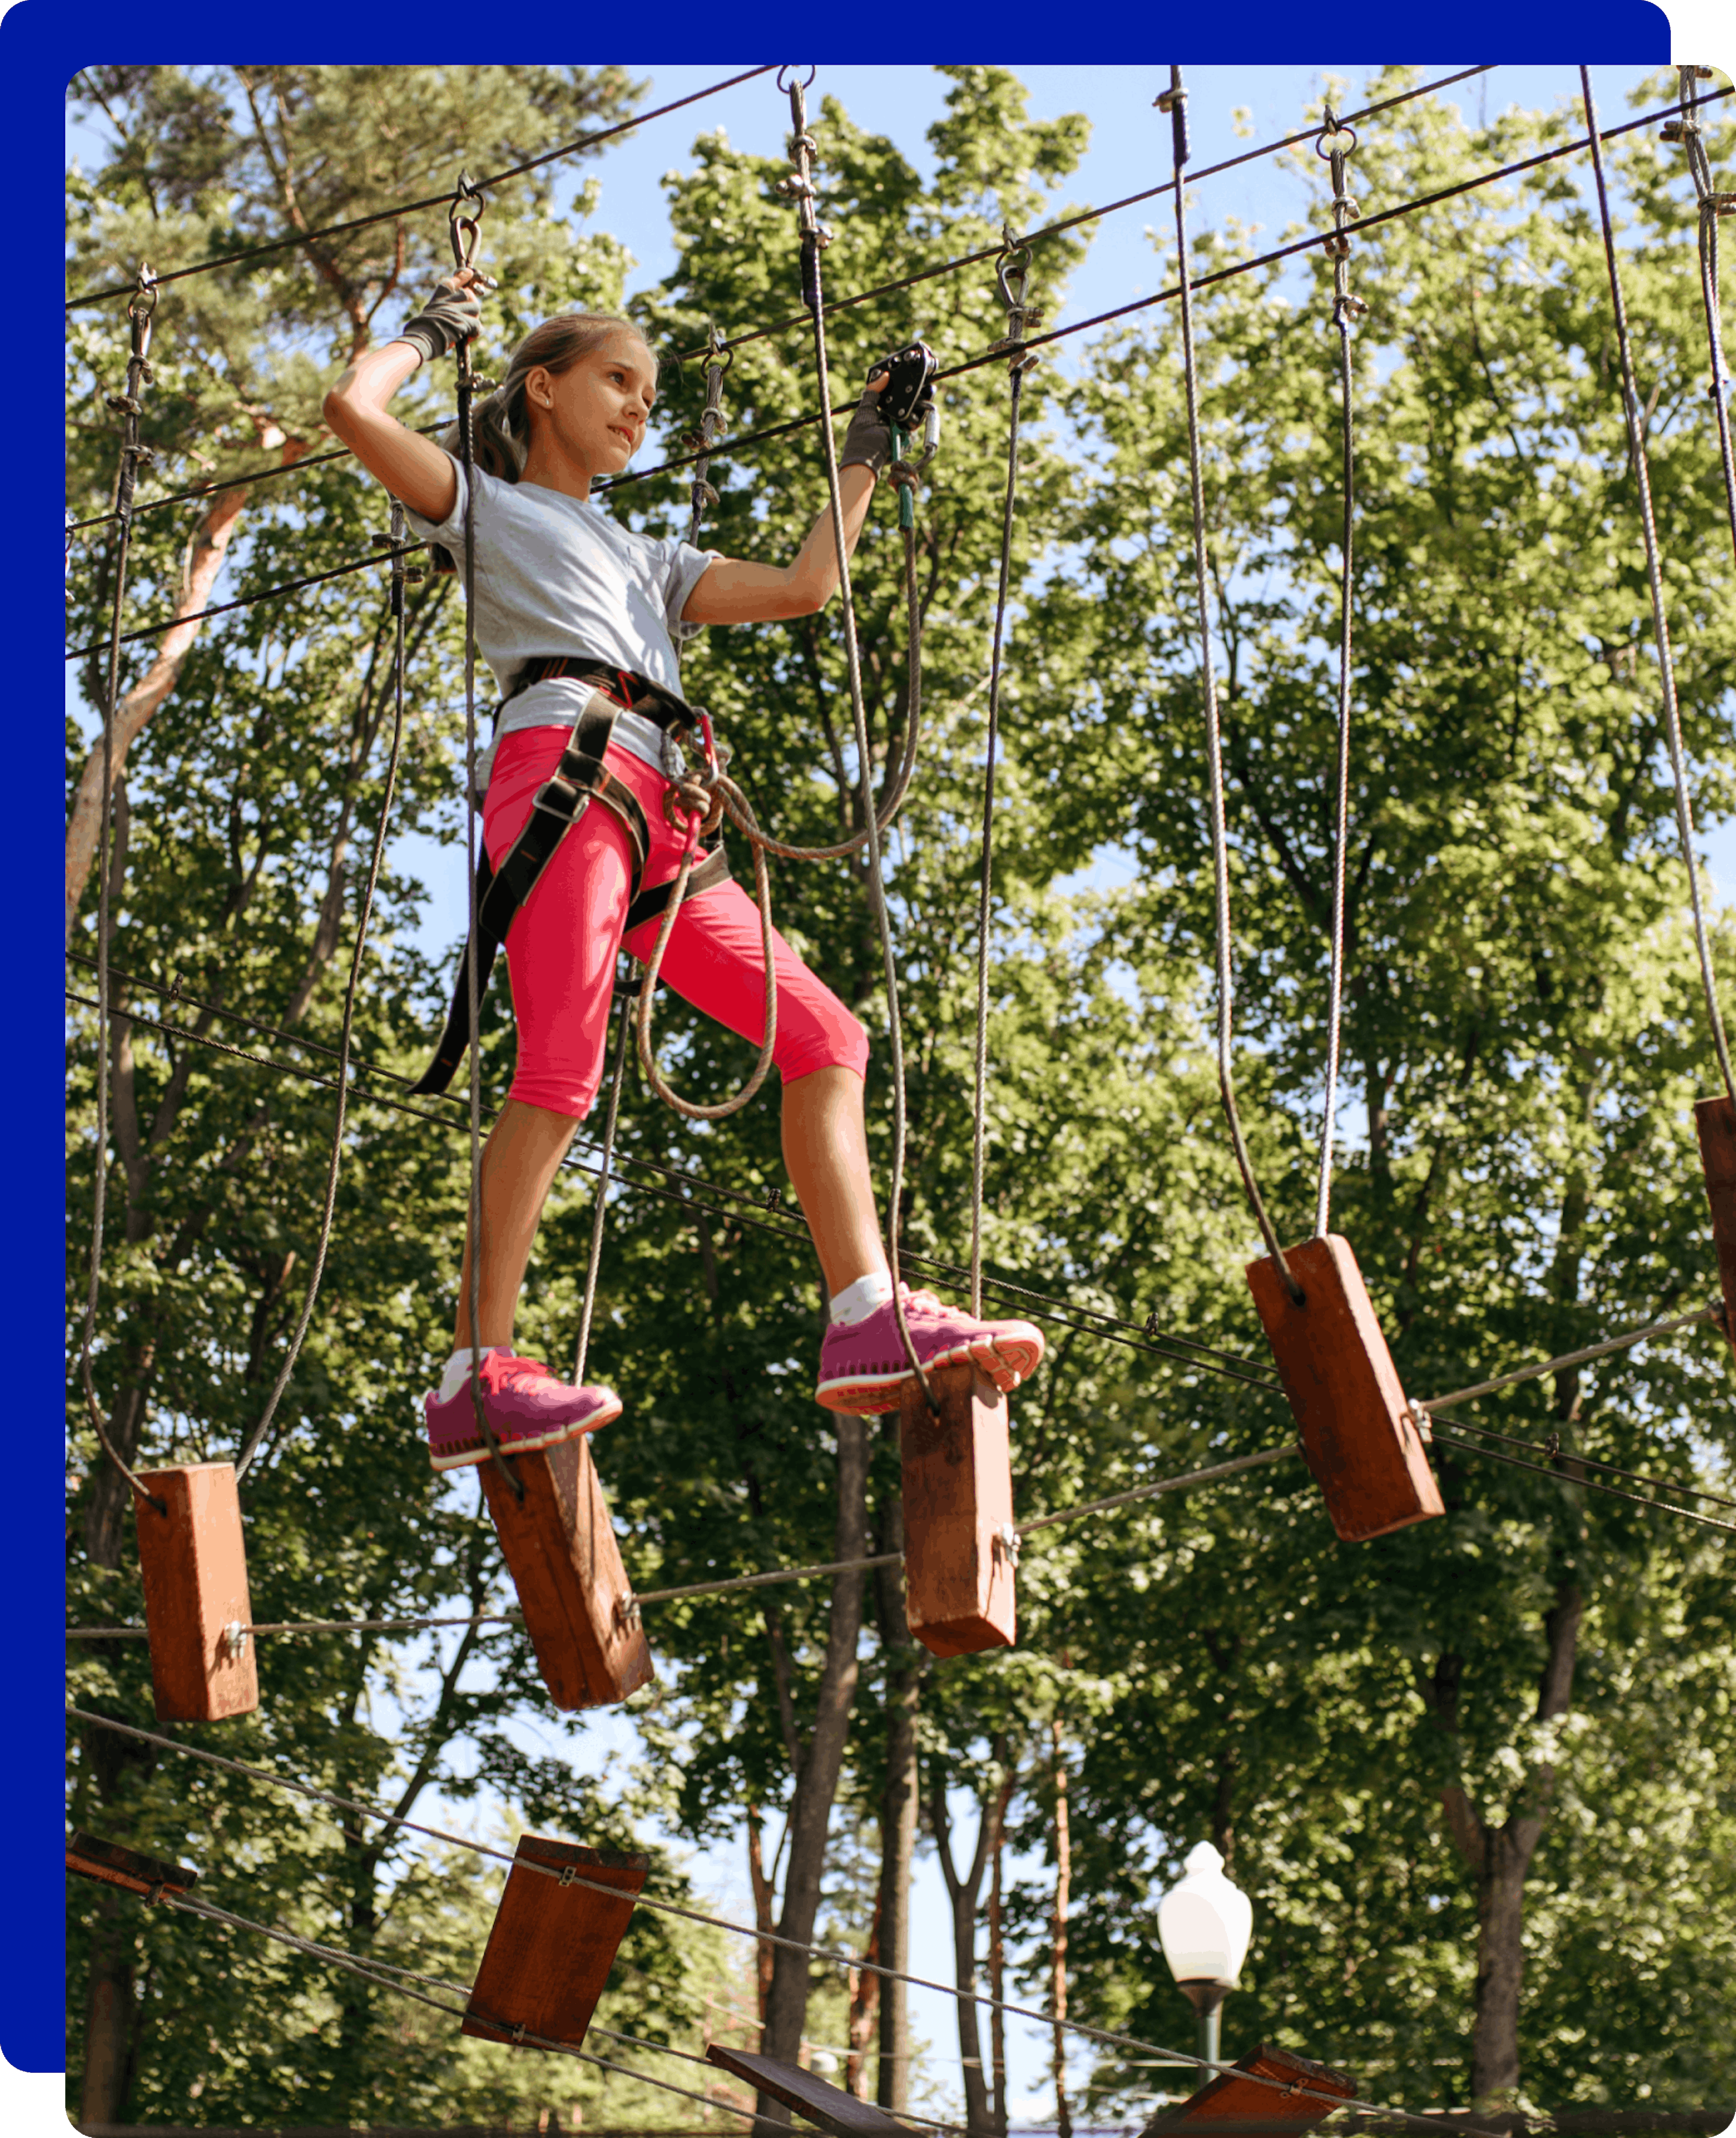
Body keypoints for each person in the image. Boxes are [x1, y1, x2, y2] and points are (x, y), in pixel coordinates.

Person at [323, 271, 1043, 1472]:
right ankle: (476, 1375)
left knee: (826, 1037)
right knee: (560, 1067)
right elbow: (353, 414)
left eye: (652, 396)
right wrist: (425, 336)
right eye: (618, 380)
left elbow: (813, 585)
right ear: (542, 388)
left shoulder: (646, 554)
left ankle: (865, 1318)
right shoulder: (491, 507)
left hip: (665, 804)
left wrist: (869, 438)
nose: (639, 410)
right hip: (565, 770)